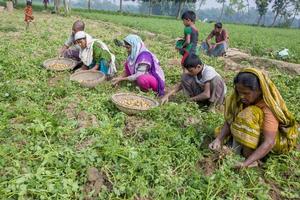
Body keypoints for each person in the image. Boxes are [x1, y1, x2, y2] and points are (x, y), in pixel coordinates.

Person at [209, 68, 298, 169]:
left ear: (259, 90)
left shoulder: (268, 107)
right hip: (255, 132)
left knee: (250, 113)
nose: (241, 96)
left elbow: (269, 142)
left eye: (246, 93)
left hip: (274, 141)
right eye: (239, 92)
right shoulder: (237, 98)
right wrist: (219, 139)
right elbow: (230, 120)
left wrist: (245, 163)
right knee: (221, 131)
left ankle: (251, 157)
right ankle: (240, 147)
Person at [161, 54, 226, 110]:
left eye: (191, 70)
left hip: (215, 96)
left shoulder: (208, 71)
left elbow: (207, 94)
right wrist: (167, 95)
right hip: (203, 96)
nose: (189, 72)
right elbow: (180, 86)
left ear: (198, 66)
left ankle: (213, 106)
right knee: (185, 77)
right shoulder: (195, 72)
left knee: (216, 80)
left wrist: (190, 100)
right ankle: (197, 103)